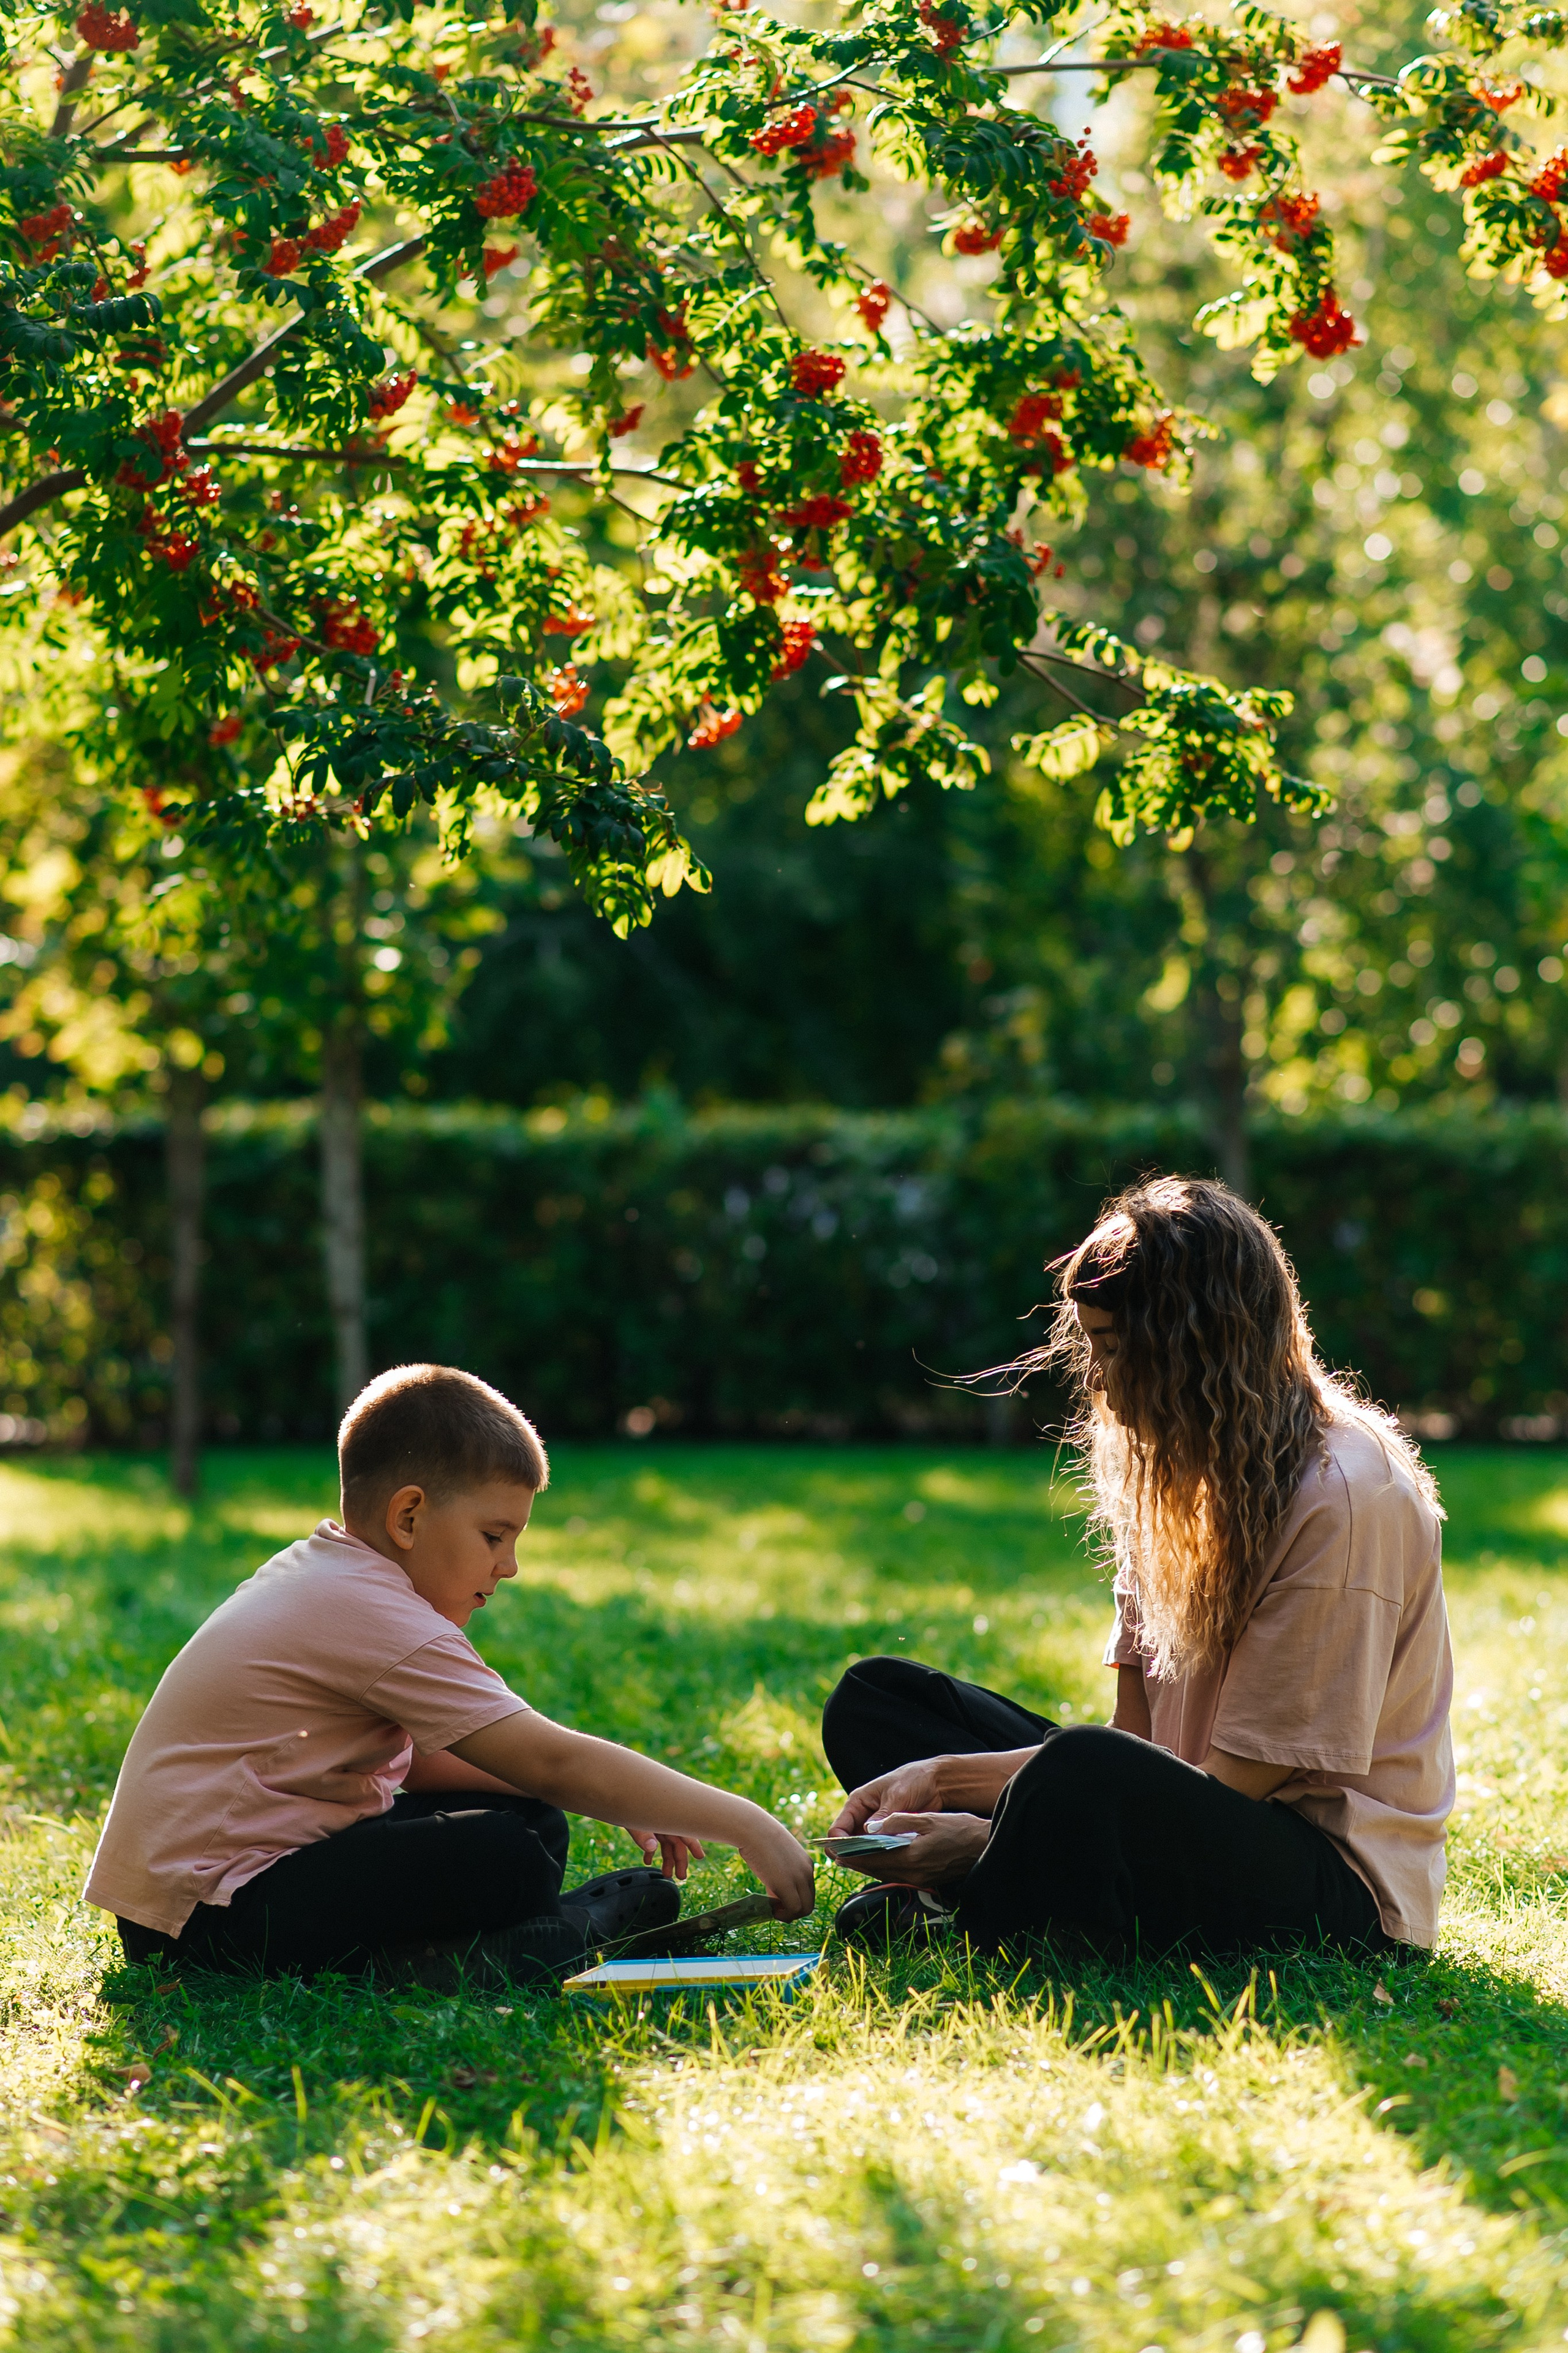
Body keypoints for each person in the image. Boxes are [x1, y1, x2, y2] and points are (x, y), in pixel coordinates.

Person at [821, 1176, 1454, 1960]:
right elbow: (1138, 1740)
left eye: (1114, 1349)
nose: (1094, 1377)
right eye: (1089, 1344)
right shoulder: (1175, 1469)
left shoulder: (1345, 1500)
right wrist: (940, 1776)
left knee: (1079, 1766)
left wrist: (981, 1835)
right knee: (877, 1700)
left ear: (1195, 1350)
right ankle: (1016, 1883)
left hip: (1336, 1889)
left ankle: (983, 1891)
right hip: (1180, 1803)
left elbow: (1229, 1784)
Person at [88, 1363, 813, 1985]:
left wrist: (612, 1796)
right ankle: (532, 1937)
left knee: (529, 1821)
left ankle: (483, 1941)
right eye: (494, 1535)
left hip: (222, 1892)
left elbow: (438, 1763)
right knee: (503, 1855)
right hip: (205, 1918)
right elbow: (550, 1756)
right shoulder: (369, 1610)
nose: (510, 1565)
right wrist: (746, 1822)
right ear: (409, 1517)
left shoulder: (338, 1574)